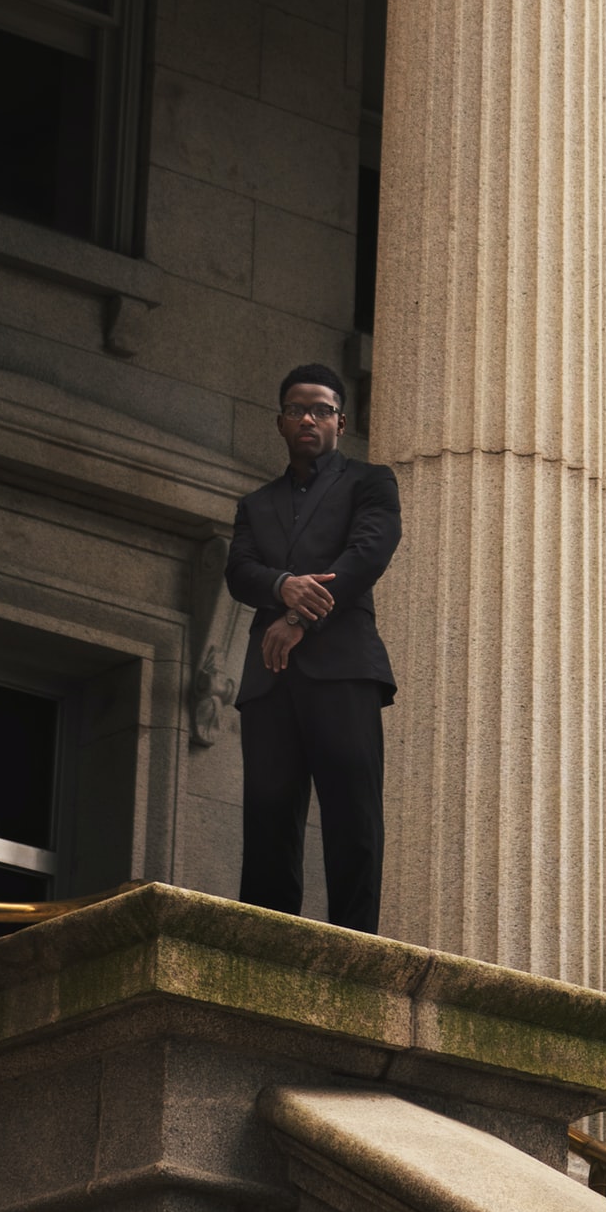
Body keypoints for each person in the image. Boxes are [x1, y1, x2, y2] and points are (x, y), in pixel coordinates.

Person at [225, 363, 401, 932]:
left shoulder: (370, 482)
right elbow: (240, 572)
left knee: (353, 816)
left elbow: (367, 555)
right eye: (298, 409)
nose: (309, 418)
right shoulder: (256, 504)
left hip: (343, 668)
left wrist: (298, 615)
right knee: (269, 817)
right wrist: (282, 586)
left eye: (321, 409)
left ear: (340, 422)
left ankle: (358, 946)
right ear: (280, 423)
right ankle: (266, 944)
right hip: (271, 679)